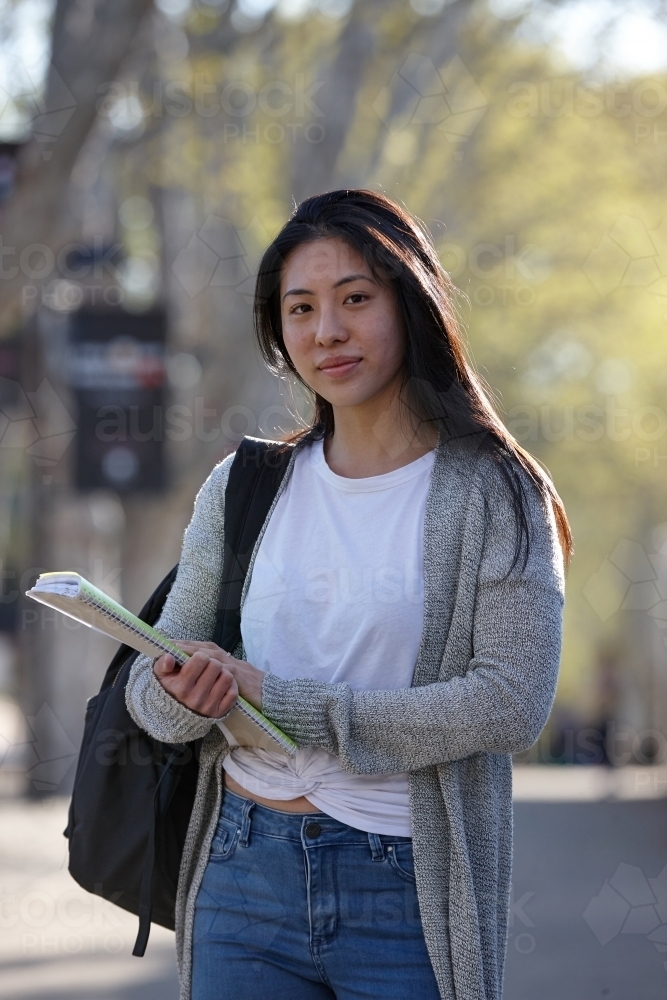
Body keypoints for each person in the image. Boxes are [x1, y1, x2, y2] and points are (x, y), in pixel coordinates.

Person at [126, 189, 570, 1000]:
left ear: (412, 304)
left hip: (402, 880)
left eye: (355, 299)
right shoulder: (243, 486)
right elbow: (150, 695)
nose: (326, 330)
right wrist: (180, 688)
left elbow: (509, 702)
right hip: (239, 871)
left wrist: (282, 702)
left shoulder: (496, 493)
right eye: (300, 308)